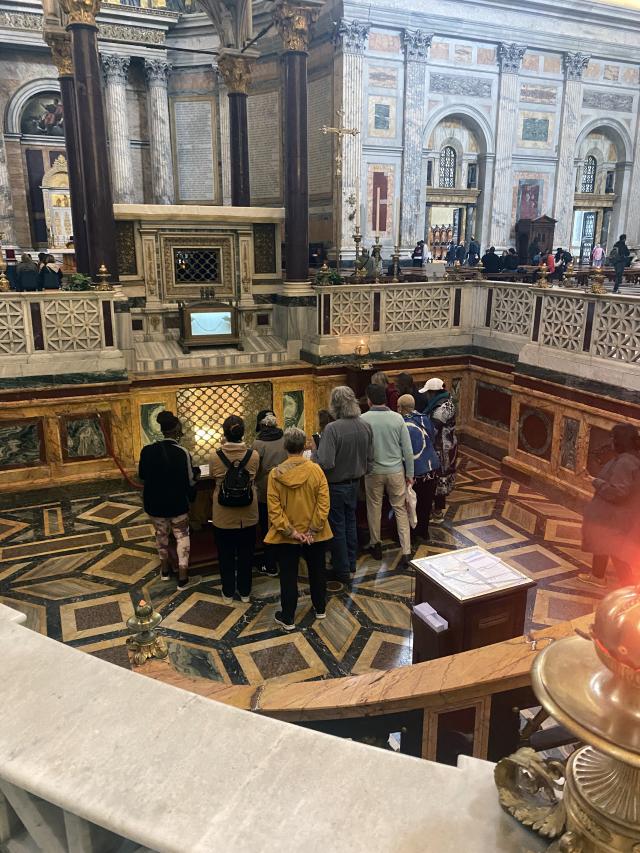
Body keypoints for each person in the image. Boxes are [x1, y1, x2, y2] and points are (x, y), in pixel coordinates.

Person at [265, 427, 332, 630]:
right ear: (304, 447)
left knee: (288, 576)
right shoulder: (315, 470)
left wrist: (291, 532)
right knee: (318, 571)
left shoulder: (275, 475)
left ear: (285, 446)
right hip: (315, 535)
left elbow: (274, 510)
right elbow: (324, 503)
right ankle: (320, 608)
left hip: (287, 537)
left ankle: (288, 617)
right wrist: (313, 529)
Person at [317, 386, 373, 584]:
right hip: (355, 484)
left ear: (335, 405)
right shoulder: (365, 425)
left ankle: (341, 570)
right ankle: (350, 563)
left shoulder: (332, 429)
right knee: (350, 523)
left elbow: (326, 462)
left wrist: (314, 454)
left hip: (336, 485)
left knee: (338, 527)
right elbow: (370, 459)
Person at [138, 411, 198, 590]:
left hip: (154, 503)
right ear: (177, 430)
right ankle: (183, 578)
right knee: (182, 536)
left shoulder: (147, 450)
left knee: (161, 535)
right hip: (177, 504)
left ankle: (164, 571)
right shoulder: (182, 452)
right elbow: (190, 480)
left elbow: (142, 476)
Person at [578, 424, 640, 589]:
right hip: (614, 516)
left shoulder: (626, 462)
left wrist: (596, 482)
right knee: (603, 543)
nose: (610, 440)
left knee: (615, 551)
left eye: (613, 437)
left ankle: (630, 589)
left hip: (616, 517)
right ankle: (597, 576)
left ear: (620, 441)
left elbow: (618, 492)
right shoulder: (629, 458)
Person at [361, 383, 414, 567]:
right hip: (396, 471)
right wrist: (410, 474)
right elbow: (407, 450)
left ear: (369, 400)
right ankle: (406, 550)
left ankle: (376, 545)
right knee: (400, 509)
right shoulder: (397, 419)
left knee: (374, 507)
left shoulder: (363, 419)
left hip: (373, 472)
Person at [209, 415, 259, 603]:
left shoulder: (215, 456)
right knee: (247, 554)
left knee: (226, 555)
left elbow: (214, 475)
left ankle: (228, 591)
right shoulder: (253, 455)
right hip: (248, 512)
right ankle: (245, 592)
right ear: (243, 433)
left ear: (224, 433)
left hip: (223, 514)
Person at [397, 394, 441, 542]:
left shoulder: (402, 423)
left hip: (416, 470)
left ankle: (413, 533)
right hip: (432, 466)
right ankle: (424, 531)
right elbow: (433, 438)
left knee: (411, 503)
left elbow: (403, 449)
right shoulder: (425, 418)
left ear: (400, 408)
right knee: (426, 503)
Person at [252, 411, 287, 577]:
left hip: (266, 486)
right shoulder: (284, 438)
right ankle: (284, 557)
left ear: (263, 426)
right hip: (284, 484)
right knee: (283, 521)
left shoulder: (258, 443)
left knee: (267, 525)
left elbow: (255, 468)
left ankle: (270, 563)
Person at [420, 378, 458, 523]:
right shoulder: (445, 402)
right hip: (445, 446)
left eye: (428, 393)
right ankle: (436, 510)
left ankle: (436, 512)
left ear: (433, 392)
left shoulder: (443, 408)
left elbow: (433, 428)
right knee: (439, 477)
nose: (427, 396)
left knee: (438, 478)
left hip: (442, 448)